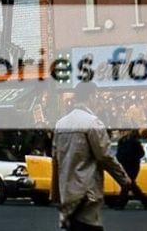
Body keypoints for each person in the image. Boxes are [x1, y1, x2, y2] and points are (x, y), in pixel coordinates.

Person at [52, 82, 131, 231]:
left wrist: (56, 195)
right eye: (97, 97)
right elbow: (105, 156)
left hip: (67, 196)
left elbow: (56, 162)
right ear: (91, 96)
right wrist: (124, 179)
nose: (98, 101)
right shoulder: (93, 123)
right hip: (87, 194)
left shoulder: (60, 124)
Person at [116, 130, 147, 209]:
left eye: (125, 131)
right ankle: (144, 200)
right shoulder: (121, 141)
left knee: (127, 183)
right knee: (130, 184)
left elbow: (141, 153)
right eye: (121, 132)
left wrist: (134, 158)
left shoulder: (134, 141)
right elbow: (119, 153)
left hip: (133, 166)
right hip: (124, 166)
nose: (123, 133)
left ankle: (121, 204)